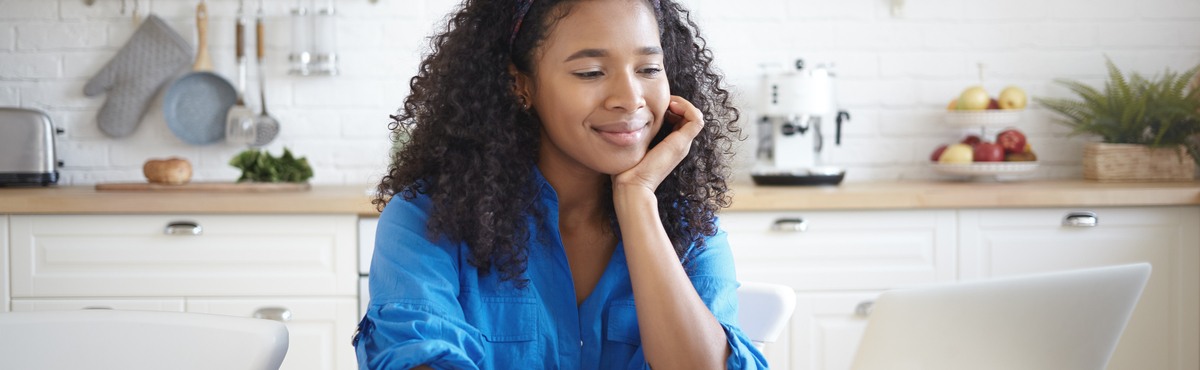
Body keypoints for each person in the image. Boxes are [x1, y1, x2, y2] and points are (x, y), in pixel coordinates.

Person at [354, 0, 767, 368]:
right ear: (522, 85)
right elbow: (419, 355)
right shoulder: (427, 219)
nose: (630, 97)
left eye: (648, 69)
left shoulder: (689, 230)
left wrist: (637, 198)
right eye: (590, 72)